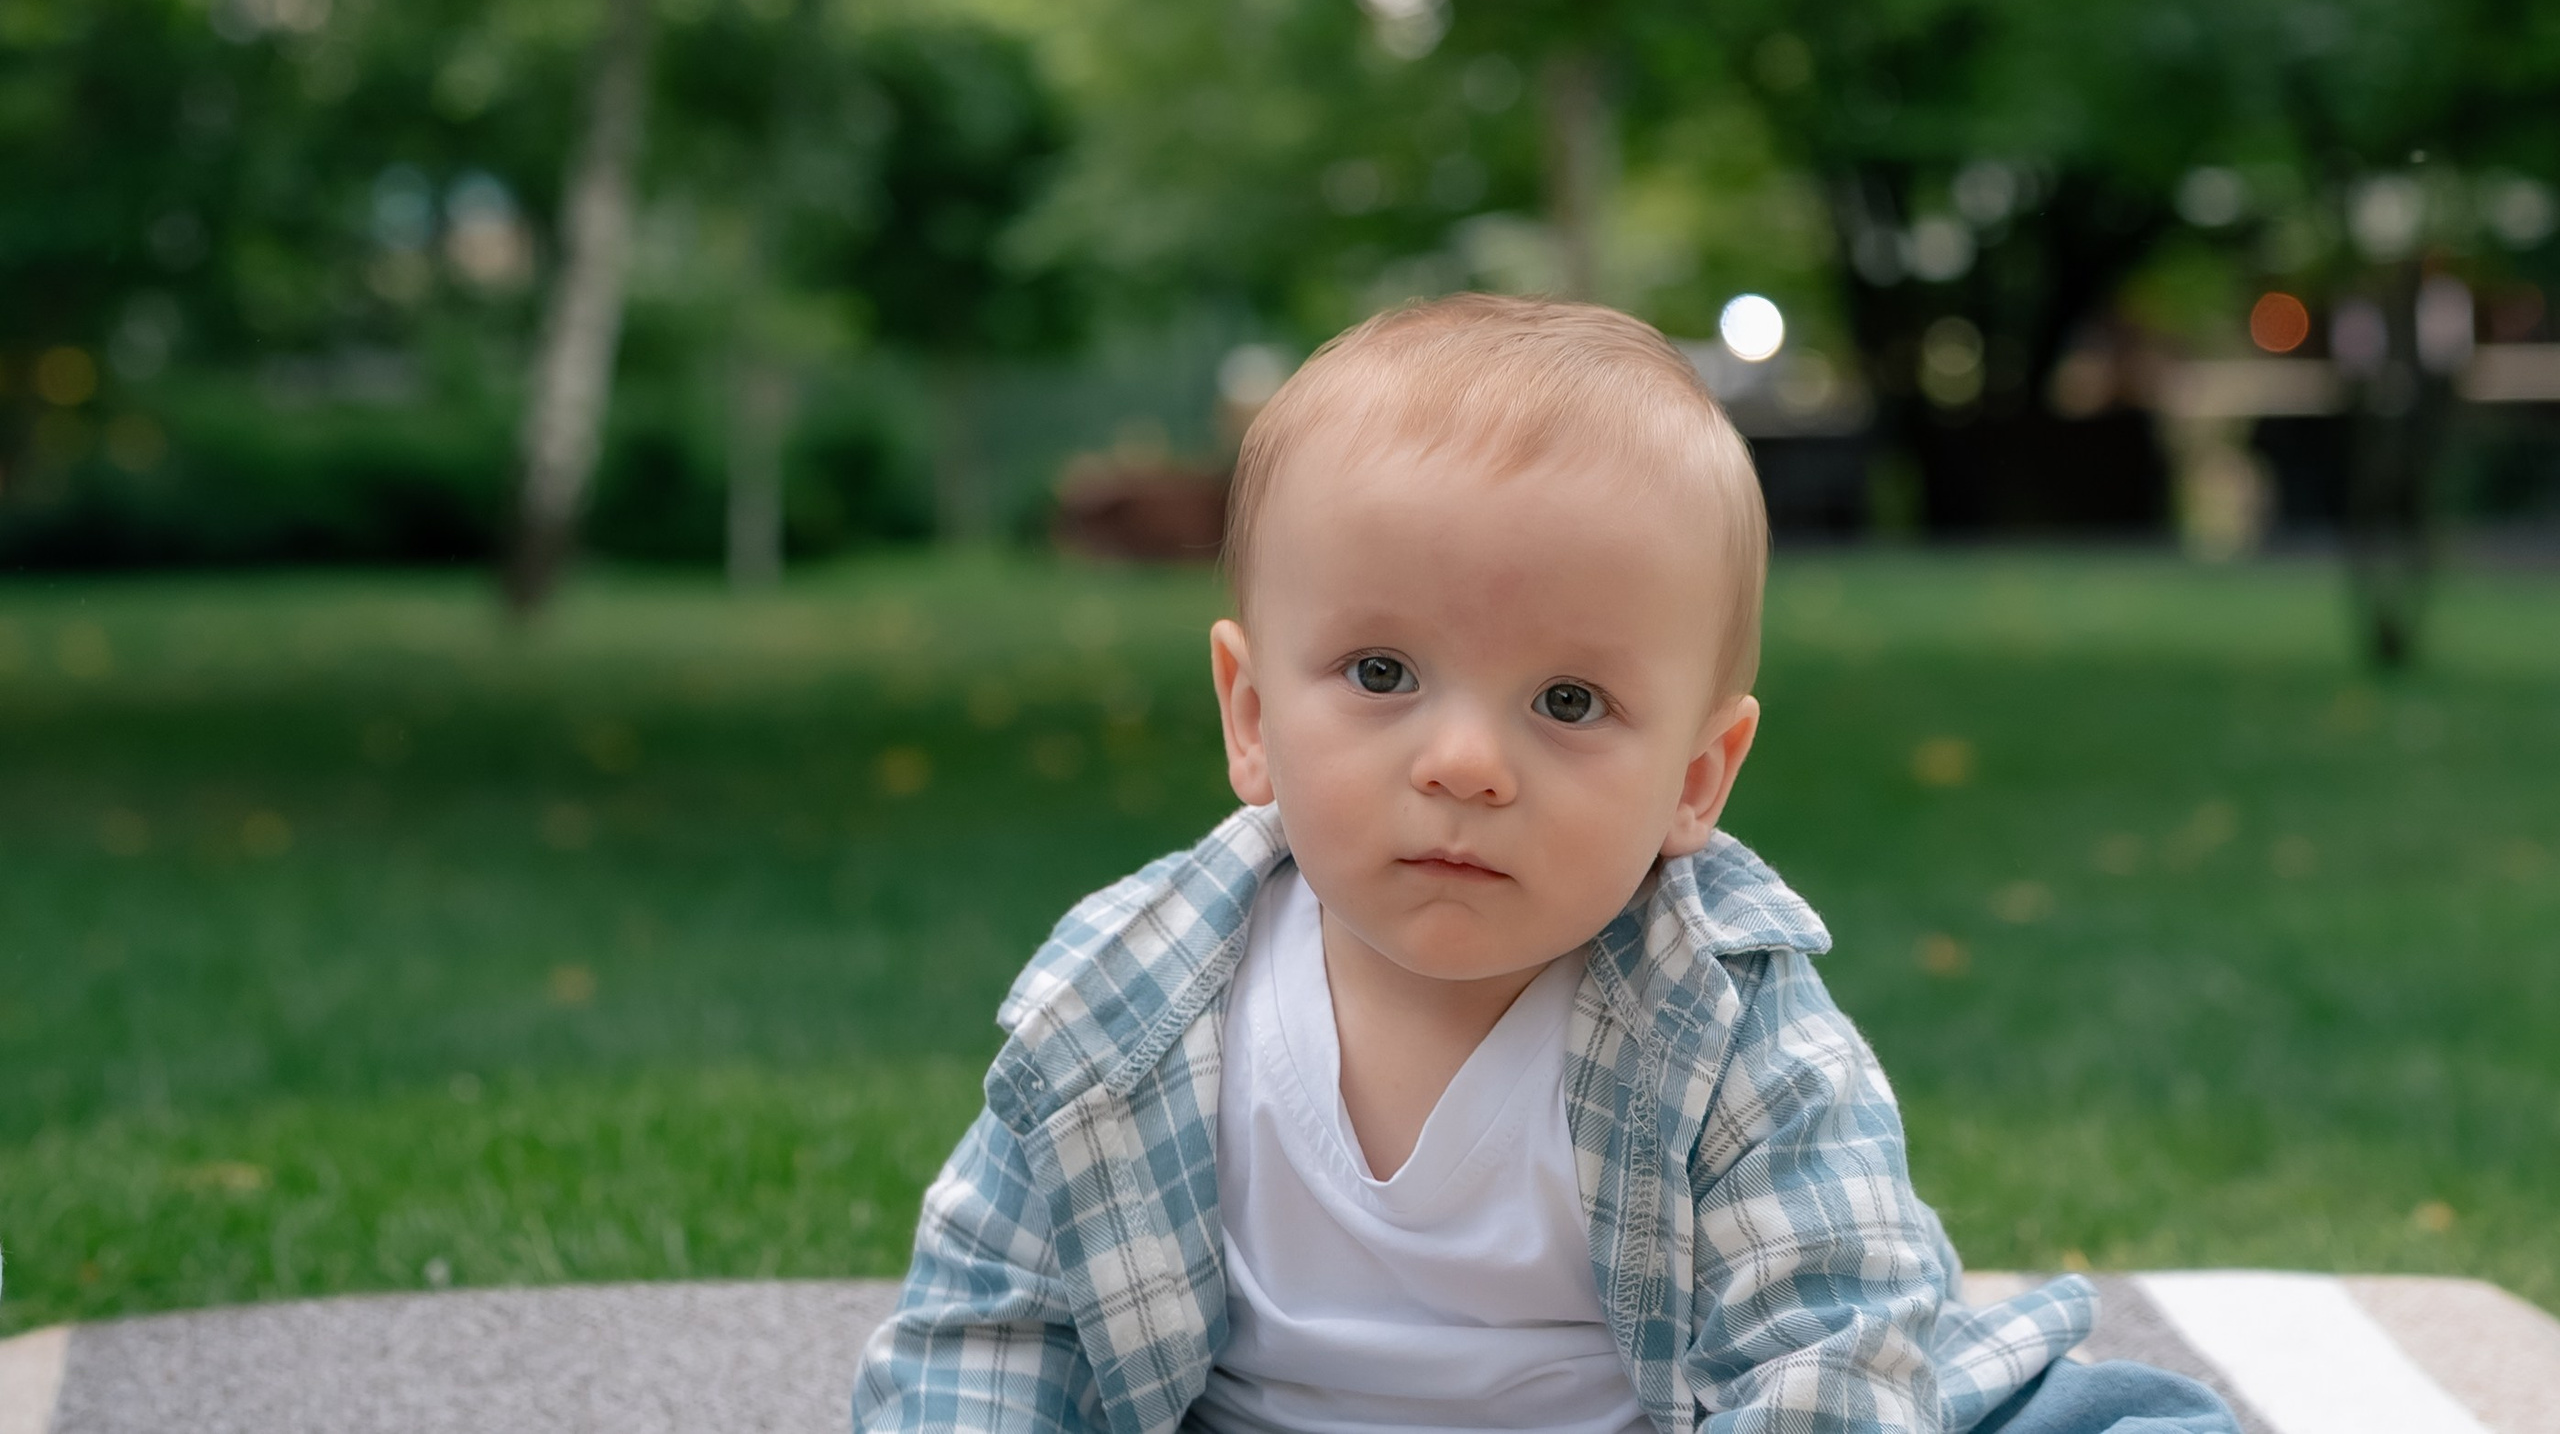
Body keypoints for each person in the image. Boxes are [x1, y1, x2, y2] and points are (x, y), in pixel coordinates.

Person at [851, 296, 2238, 1434]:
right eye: (1382, 672)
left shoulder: (1730, 1029)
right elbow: (991, 1324)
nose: (1465, 762)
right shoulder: (1124, 1000)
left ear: (1695, 778)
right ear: (1253, 716)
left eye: (1568, 703)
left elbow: (1831, 1353)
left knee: (2117, 1421)